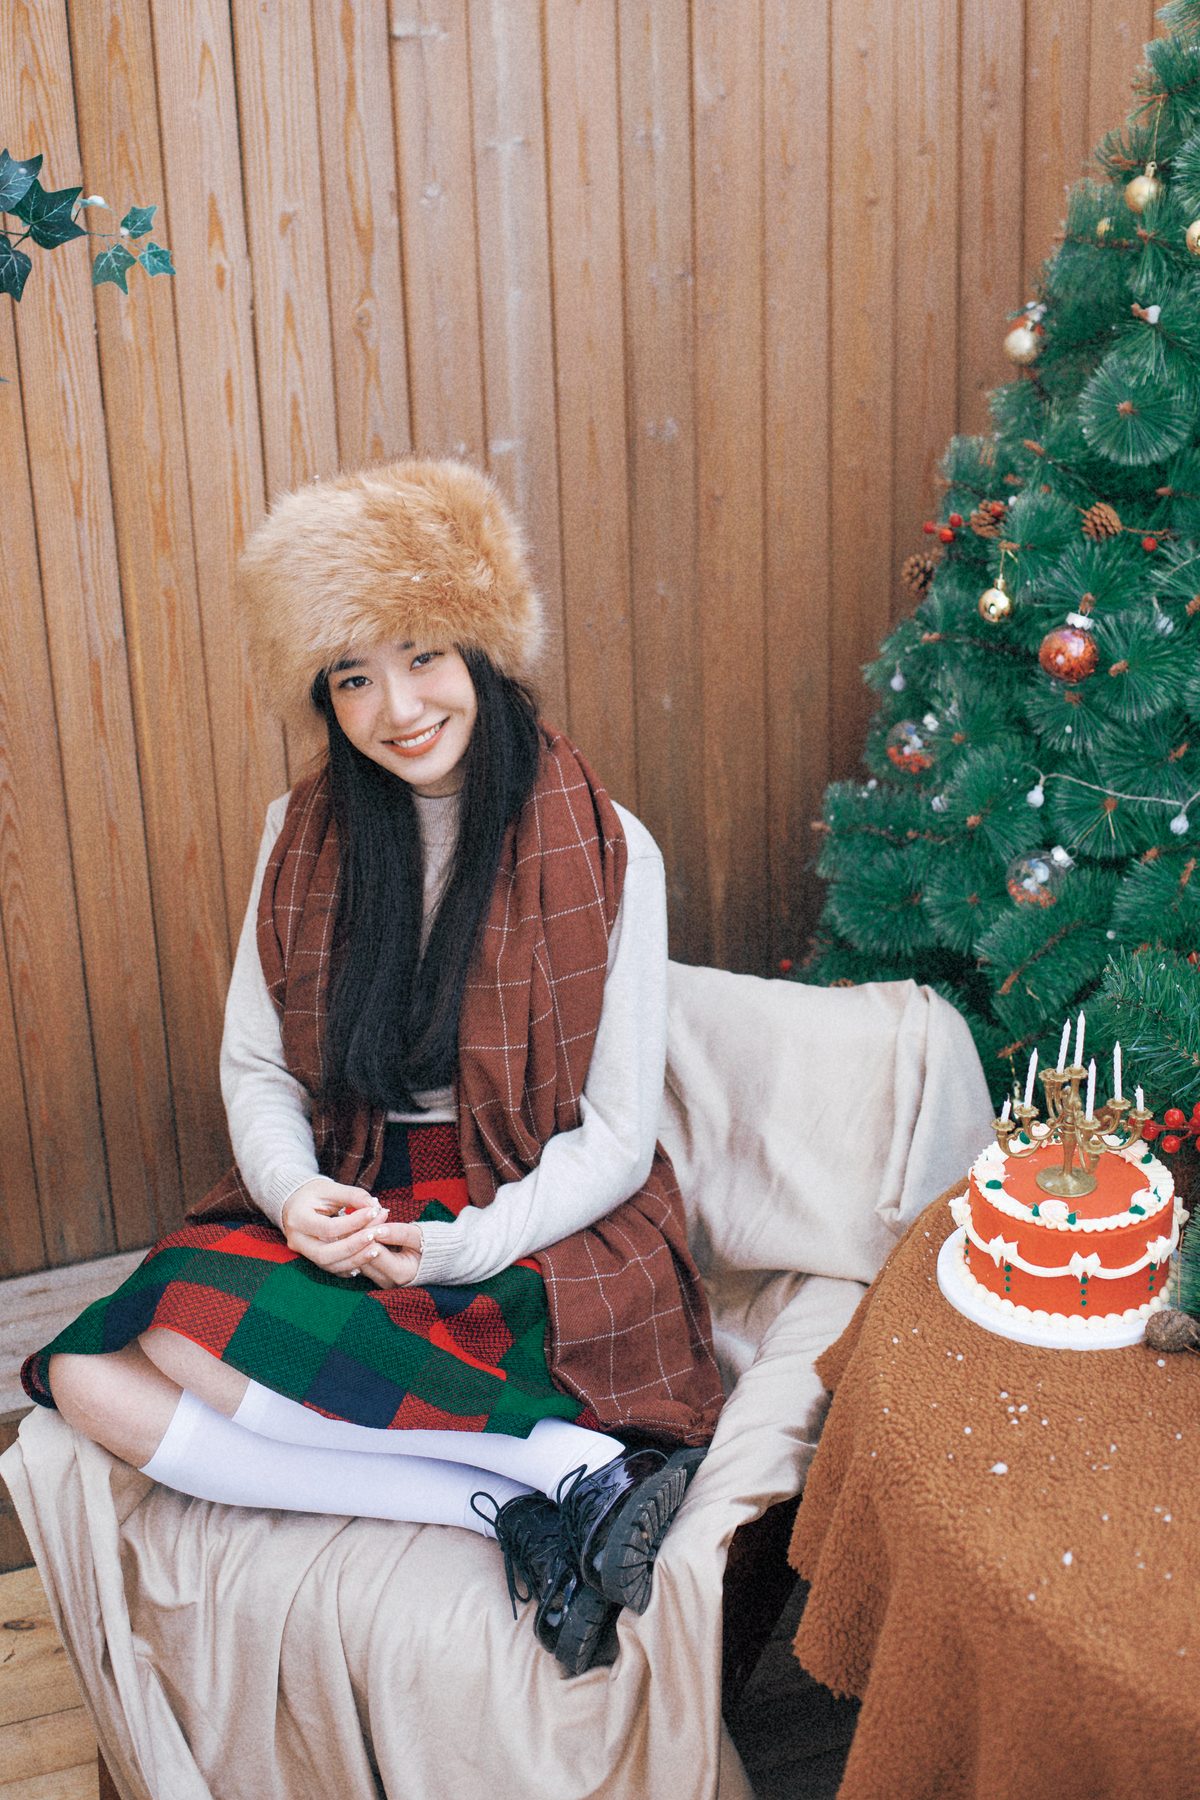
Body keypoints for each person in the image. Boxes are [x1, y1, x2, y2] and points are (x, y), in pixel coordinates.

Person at [24, 458, 724, 1677]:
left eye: (421, 655)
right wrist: (295, 1194)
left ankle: (557, 1468)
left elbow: (617, 1140)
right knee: (90, 1373)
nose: (395, 707)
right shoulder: (300, 834)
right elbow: (258, 1069)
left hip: (532, 1222)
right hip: (352, 1189)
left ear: (483, 650)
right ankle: (543, 1484)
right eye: (352, 675)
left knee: (181, 1349)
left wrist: (464, 1247)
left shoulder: (614, 847)